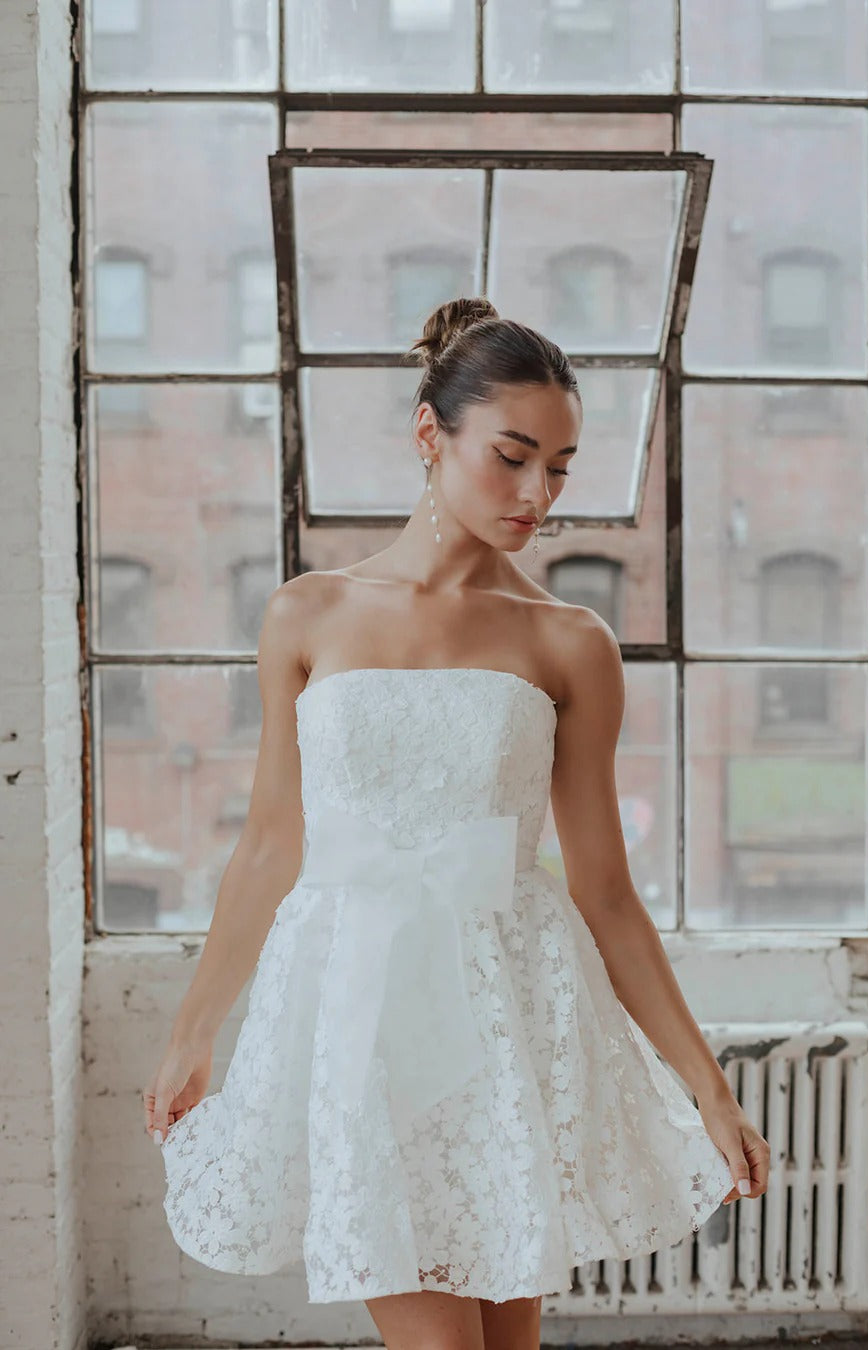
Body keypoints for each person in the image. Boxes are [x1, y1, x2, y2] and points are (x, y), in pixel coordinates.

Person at [143, 297, 769, 1350]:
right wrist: (194, 1030)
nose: (537, 494)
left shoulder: (571, 642)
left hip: (505, 1009)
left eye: (560, 466)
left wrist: (710, 1092)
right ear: (431, 434)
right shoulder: (308, 613)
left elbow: (606, 890)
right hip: (361, 1006)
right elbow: (269, 843)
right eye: (512, 456)